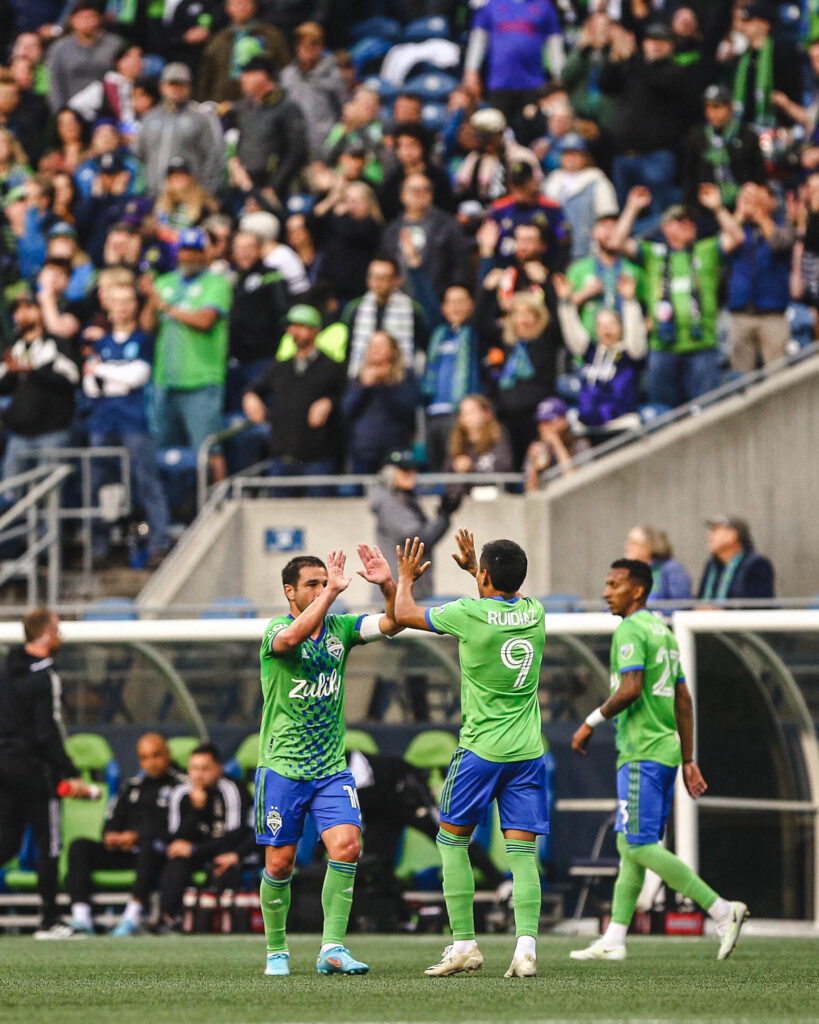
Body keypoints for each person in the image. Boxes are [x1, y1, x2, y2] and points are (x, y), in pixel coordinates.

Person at [569, 558, 749, 962]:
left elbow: (631, 689)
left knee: (639, 845)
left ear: (636, 590)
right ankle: (614, 938)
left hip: (641, 751)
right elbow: (682, 698)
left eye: (614, 584)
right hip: (664, 750)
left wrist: (590, 721)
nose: (606, 591)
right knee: (629, 845)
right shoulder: (661, 631)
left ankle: (722, 910)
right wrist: (688, 758)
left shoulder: (632, 629)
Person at [394, 531, 548, 978]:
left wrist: (405, 578)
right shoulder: (536, 613)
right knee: (522, 853)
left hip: (481, 750)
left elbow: (402, 613)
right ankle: (525, 948)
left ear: (484, 575)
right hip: (527, 753)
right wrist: (476, 574)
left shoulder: (467, 613)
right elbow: (502, 603)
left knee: (451, 840)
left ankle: (464, 943)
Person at [255, 546, 402, 976]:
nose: (322, 589)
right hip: (282, 768)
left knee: (348, 846)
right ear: (290, 592)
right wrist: (333, 594)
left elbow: (393, 623)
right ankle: (277, 951)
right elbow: (292, 639)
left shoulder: (341, 629)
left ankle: (332, 948)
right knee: (279, 863)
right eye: (312, 585)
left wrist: (389, 585)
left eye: (326, 582)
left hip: (329, 770)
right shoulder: (276, 631)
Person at [0, 608, 84, 939]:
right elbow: (47, 731)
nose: (60, 637)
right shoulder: (45, 676)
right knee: (48, 843)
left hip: (3, 765)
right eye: (58, 630)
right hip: (35, 768)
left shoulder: (5, 670)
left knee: (6, 843)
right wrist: (70, 771)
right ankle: (50, 920)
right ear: (46, 635)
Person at [82, 280, 172, 567]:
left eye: (127, 301)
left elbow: (137, 377)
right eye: (116, 302)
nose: (122, 308)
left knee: (147, 482)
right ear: (108, 306)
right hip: (102, 423)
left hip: (135, 422)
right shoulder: (101, 342)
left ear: (134, 306)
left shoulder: (144, 339)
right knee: (99, 485)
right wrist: (114, 377)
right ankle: (99, 546)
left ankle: (160, 542)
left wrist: (103, 372)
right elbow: (90, 387)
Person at [65, 733, 187, 937]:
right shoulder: (132, 786)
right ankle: (81, 918)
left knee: (149, 843)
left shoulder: (181, 786)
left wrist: (137, 836)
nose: (151, 762)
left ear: (168, 754)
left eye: (156, 755)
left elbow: (178, 826)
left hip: (157, 853)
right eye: (145, 757)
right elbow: (113, 818)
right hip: (126, 850)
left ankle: (133, 915)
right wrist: (111, 836)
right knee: (79, 846)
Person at [141, 226, 232, 481]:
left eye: (195, 251)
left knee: (208, 449)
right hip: (165, 379)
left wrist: (165, 305)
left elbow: (205, 320)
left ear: (205, 254)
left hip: (201, 380)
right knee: (163, 450)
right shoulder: (165, 282)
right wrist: (151, 298)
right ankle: (170, 509)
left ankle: (217, 505)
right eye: (185, 251)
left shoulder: (217, 283)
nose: (189, 257)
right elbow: (148, 326)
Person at [242, 304, 346, 490]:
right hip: (282, 456)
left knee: (321, 513)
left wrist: (330, 402)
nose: (293, 331)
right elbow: (255, 387)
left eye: (300, 326)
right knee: (279, 515)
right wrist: (250, 397)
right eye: (291, 326)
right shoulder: (281, 367)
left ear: (315, 330)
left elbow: (347, 398)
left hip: (318, 458)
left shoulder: (333, 367)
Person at [158, 743, 254, 932]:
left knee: (223, 865)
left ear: (218, 768)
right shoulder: (181, 792)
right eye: (194, 769)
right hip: (199, 853)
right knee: (176, 863)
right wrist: (195, 809)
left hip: (226, 851)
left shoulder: (232, 789)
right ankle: (169, 919)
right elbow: (177, 839)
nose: (198, 775)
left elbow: (235, 835)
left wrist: (195, 849)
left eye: (205, 769)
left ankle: (215, 924)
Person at [0, 294, 78, 483]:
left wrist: (33, 370)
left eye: (28, 308)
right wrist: (12, 372)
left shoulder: (56, 344)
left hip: (52, 432)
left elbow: (72, 377)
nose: (22, 315)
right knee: (10, 493)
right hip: (19, 435)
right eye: (18, 310)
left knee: (50, 494)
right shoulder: (13, 348)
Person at [369, 450, 459, 602]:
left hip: (411, 589)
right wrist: (444, 516)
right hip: (398, 593)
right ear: (389, 473)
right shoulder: (389, 504)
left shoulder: (405, 498)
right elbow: (420, 539)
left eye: (413, 470)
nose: (412, 474)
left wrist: (443, 516)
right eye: (405, 471)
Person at [341, 331, 419, 474]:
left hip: (395, 450)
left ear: (393, 349)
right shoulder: (359, 377)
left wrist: (386, 384)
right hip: (362, 450)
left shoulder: (404, 375)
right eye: (372, 345)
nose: (375, 349)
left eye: (381, 345)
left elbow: (408, 408)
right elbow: (346, 409)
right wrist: (364, 386)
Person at [697, 516, 775, 603]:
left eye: (715, 531)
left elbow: (756, 605)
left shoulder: (757, 564)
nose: (709, 536)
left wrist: (718, 611)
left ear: (732, 535)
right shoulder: (712, 565)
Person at [523, 397, 590, 491]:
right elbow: (530, 492)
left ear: (564, 421)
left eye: (548, 422)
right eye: (541, 422)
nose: (543, 428)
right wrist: (535, 470)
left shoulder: (580, 444)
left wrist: (556, 443)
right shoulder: (537, 449)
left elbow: (573, 482)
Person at [624, 524, 691, 604]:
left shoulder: (672, 569)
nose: (627, 547)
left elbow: (680, 603)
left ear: (649, 546)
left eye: (633, 543)